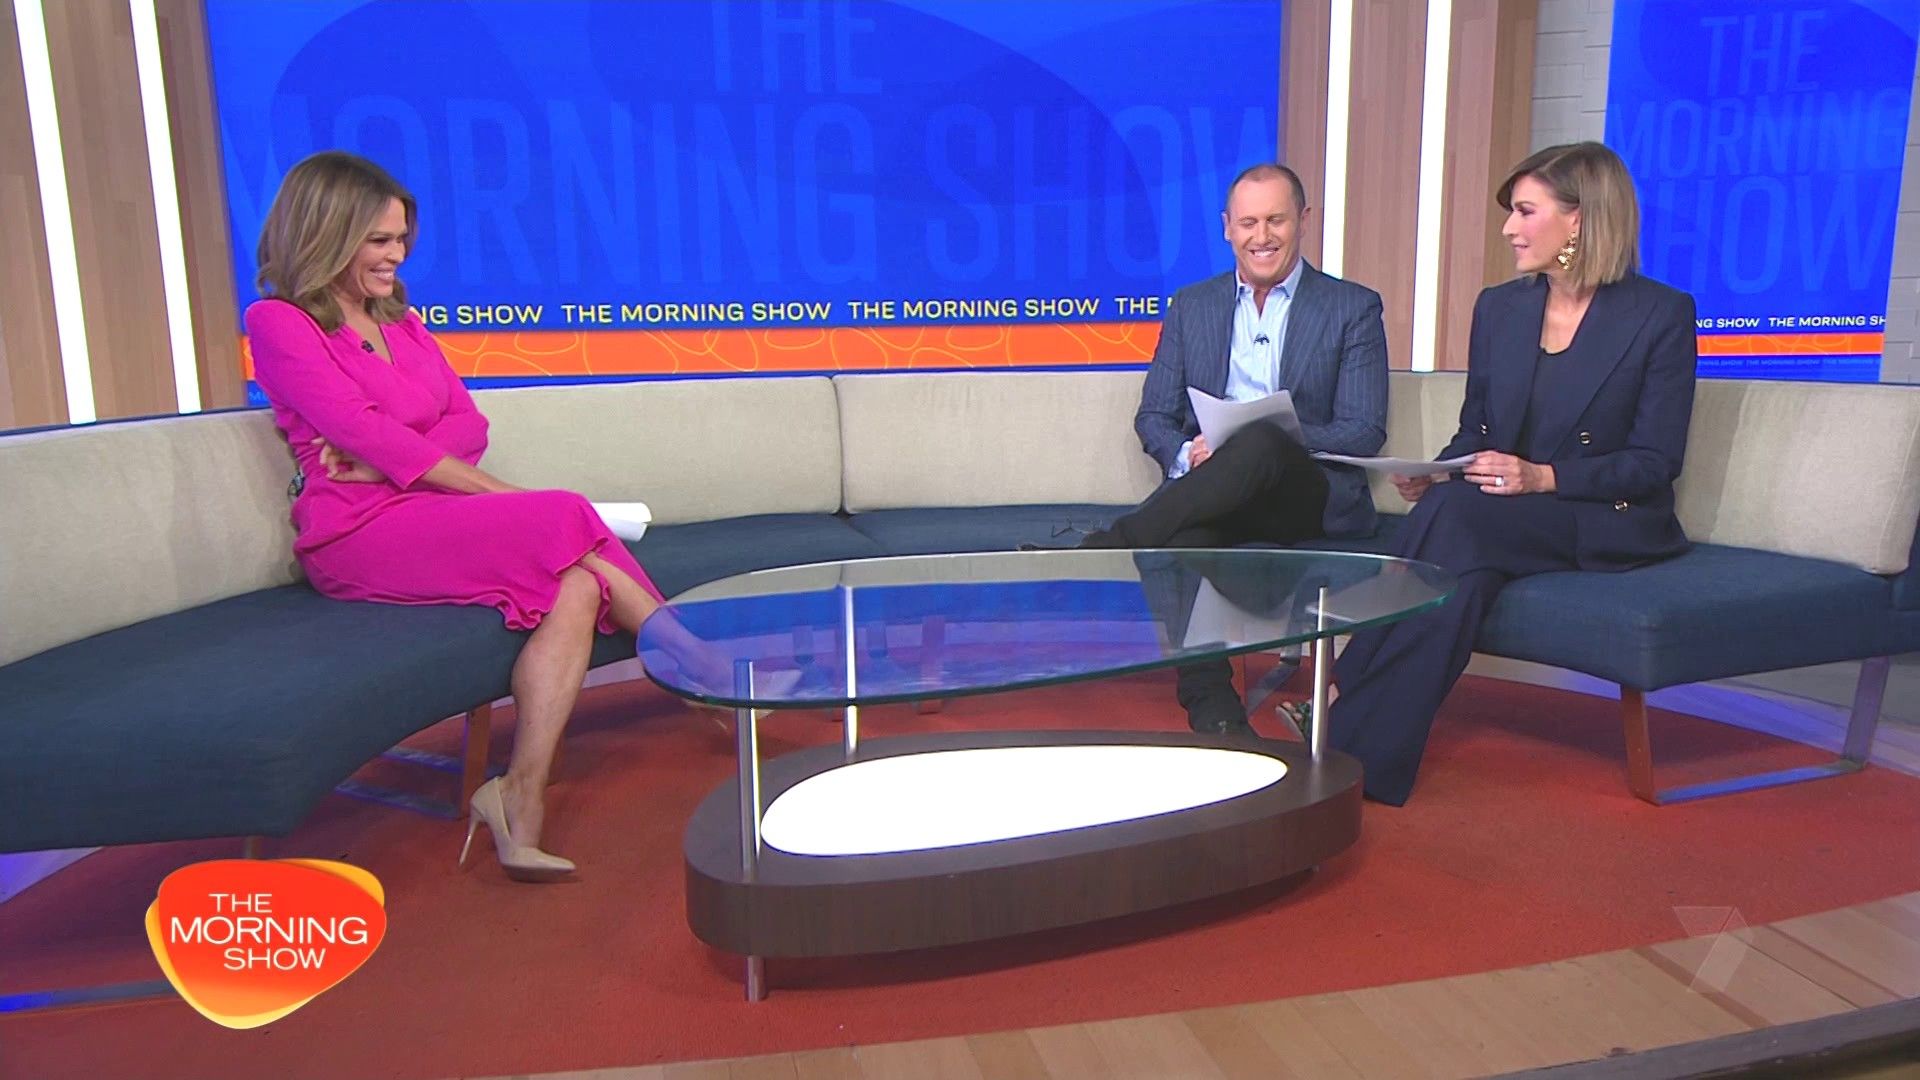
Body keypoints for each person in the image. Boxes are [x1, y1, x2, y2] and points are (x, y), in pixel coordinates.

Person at [247, 151, 674, 882]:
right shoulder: (280, 323)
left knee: (577, 585)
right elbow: (356, 426)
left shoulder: (402, 322)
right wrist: (406, 457)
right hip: (357, 532)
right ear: (327, 234)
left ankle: (519, 797)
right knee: (564, 514)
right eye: (379, 240)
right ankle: (704, 671)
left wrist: (387, 454)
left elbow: (466, 423)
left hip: (427, 510)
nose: (397, 255)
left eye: (401, 239)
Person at [1311, 141, 1697, 805]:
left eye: (1524, 211)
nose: (1508, 229)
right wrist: (1442, 470)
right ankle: (1362, 755)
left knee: (1455, 522)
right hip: (1500, 513)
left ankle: (1339, 700)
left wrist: (1543, 478)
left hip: (1600, 515)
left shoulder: (1659, 315)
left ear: (1578, 219)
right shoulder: (1500, 308)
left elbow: (1656, 462)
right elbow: (1479, 431)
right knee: (1459, 555)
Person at [1078, 163, 1389, 736]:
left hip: (1304, 492)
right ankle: (1216, 716)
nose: (1261, 236)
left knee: (1262, 438)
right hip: (1217, 492)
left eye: (1276, 220)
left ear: (1303, 221)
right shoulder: (1192, 306)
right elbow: (1155, 416)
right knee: (1186, 539)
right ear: (1227, 227)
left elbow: (1363, 428)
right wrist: (1189, 455)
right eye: (1248, 223)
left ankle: (1116, 541)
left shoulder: (1352, 308)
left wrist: (1273, 434)